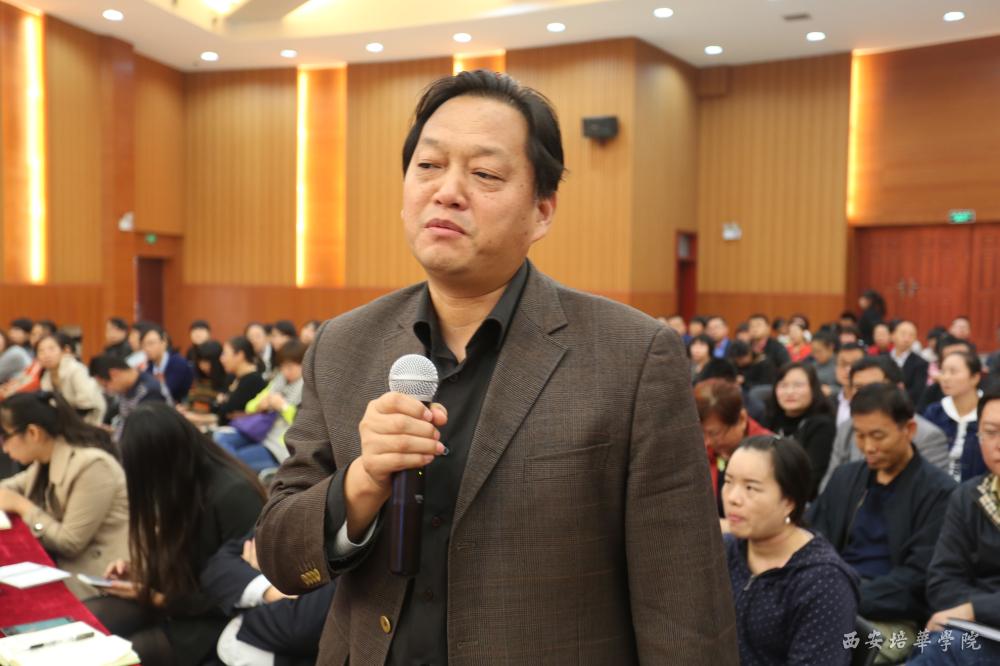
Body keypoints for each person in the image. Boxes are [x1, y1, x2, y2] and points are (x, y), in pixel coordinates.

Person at [255, 70, 737, 664]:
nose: (447, 191)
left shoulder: (633, 357)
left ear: (542, 211)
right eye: (428, 166)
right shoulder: (343, 345)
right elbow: (281, 555)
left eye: (484, 174)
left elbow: (685, 612)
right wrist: (362, 483)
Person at [85, 402, 266, 666]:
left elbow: (243, 588)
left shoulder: (234, 494)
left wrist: (160, 598)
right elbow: (185, 558)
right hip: (181, 600)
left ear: (161, 460)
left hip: (221, 619)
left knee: (118, 655)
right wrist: (142, 572)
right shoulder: (180, 481)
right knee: (89, 619)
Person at [809, 384, 955, 663]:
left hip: (893, 617)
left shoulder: (939, 493)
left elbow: (918, 579)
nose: (868, 447)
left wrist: (841, 597)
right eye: (860, 436)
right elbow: (814, 541)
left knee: (824, 651)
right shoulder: (845, 478)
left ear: (909, 429)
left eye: (878, 436)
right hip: (830, 600)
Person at [722, 436, 859, 665]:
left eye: (750, 488)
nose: (733, 498)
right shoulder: (726, 550)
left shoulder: (823, 582)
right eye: (728, 482)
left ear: (788, 501)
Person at [0, 392, 128, 599]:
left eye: (5, 437)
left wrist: (22, 506)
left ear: (33, 433)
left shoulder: (92, 466)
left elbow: (70, 543)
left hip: (100, 578)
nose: (4, 448)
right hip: (64, 565)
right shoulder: (46, 459)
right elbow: (10, 487)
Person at [911, 390, 1000, 664]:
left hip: (972, 625)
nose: (998, 444)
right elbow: (942, 581)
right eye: (990, 432)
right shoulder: (969, 496)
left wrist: (974, 609)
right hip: (977, 630)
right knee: (935, 644)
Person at [200, 531, 336, 666]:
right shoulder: (301, 518)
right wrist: (270, 590)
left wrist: (262, 577)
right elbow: (218, 567)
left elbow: (300, 625)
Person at [820, 355, 950, 492]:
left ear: (899, 389)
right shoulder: (847, 428)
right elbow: (829, 486)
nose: (866, 395)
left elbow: (932, 491)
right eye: (858, 388)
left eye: (875, 387)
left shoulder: (927, 436)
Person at [213, 340, 305, 473]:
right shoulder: (279, 381)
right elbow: (249, 406)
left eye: (290, 367)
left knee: (233, 461)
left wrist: (283, 406)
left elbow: (303, 424)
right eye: (282, 367)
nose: (285, 372)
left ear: (304, 365)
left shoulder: (308, 388)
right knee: (219, 439)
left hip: (280, 446)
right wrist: (261, 405)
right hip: (260, 433)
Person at [694, 378, 773, 517]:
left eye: (714, 433)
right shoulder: (704, 449)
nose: (706, 442)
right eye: (700, 433)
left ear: (742, 419)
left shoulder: (769, 454)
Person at [763, 362, 836, 498]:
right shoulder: (769, 419)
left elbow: (812, 478)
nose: (790, 392)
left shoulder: (823, 425)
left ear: (813, 388)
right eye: (783, 385)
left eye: (798, 385)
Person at [922, 351, 986, 482]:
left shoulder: (990, 412)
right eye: (942, 371)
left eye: (953, 372)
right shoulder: (934, 412)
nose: (945, 378)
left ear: (974, 377)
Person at [89, 353, 166, 441]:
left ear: (114, 374)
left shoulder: (150, 391)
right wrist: (114, 432)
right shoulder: (126, 388)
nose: (107, 391)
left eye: (106, 386)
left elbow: (146, 435)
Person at [37, 333, 107, 426]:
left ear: (66, 350)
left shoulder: (76, 369)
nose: (46, 355)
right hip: (64, 422)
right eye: (41, 351)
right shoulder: (46, 376)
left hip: (89, 421)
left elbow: (87, 405)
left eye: (51, 349)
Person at [141, 326, 194, 404]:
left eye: (151, 343)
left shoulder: (178, 362)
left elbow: (168, 391)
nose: (147, 348)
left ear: (164, 343)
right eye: (143, 345)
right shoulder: (148, 365)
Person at [889, 320, 929, 407]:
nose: (907, 339)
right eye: (903, 334)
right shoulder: (883, 358)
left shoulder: (921, 363)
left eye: (911, 335)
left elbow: (918, 392)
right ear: (893, 335)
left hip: (905, 406)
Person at [187, 340, 228, 414]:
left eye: (206, 361)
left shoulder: (227, 380)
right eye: (200, 361)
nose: (202, 365)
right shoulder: (198, 378)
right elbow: (191, 402)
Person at [833, 342, 867, 427]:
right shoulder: (829, 403)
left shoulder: (876, 402)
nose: (848, 370)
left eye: (855, 364)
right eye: (843, 364)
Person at [807, 330, 839, 396]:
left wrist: (831, 390)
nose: (815, 355)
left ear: (830, 347)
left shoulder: (839, 364)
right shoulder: (813, 365)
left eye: (818, 351)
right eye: (813, 351)